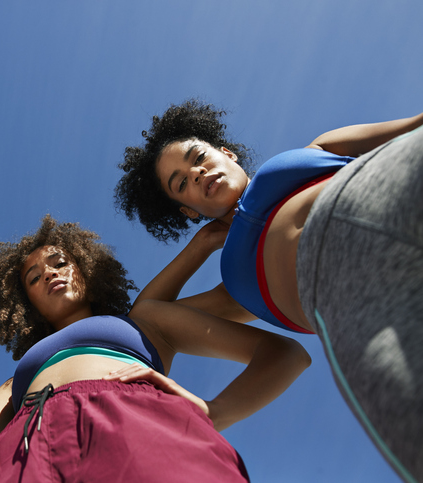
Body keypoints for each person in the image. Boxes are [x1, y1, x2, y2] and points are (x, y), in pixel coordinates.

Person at [115, 99, 423, 482]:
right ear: (188, 211)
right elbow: (146, 314)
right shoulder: (236, 289)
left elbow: (414, 125)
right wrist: (200, 246)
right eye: (181, 183)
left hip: (390, 191)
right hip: (365, 315)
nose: (195, 173)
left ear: (226, 153)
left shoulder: (317, 150)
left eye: (198, 157)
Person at [0, 215, 310, 482]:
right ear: (27, 306)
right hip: (25, 445)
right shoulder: (17, 381)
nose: (50, 274)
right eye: (34, 279)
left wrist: (214, 411)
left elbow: (284, 352)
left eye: (60, 262)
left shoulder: (146, 321)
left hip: (134, 422)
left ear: (87, 270)